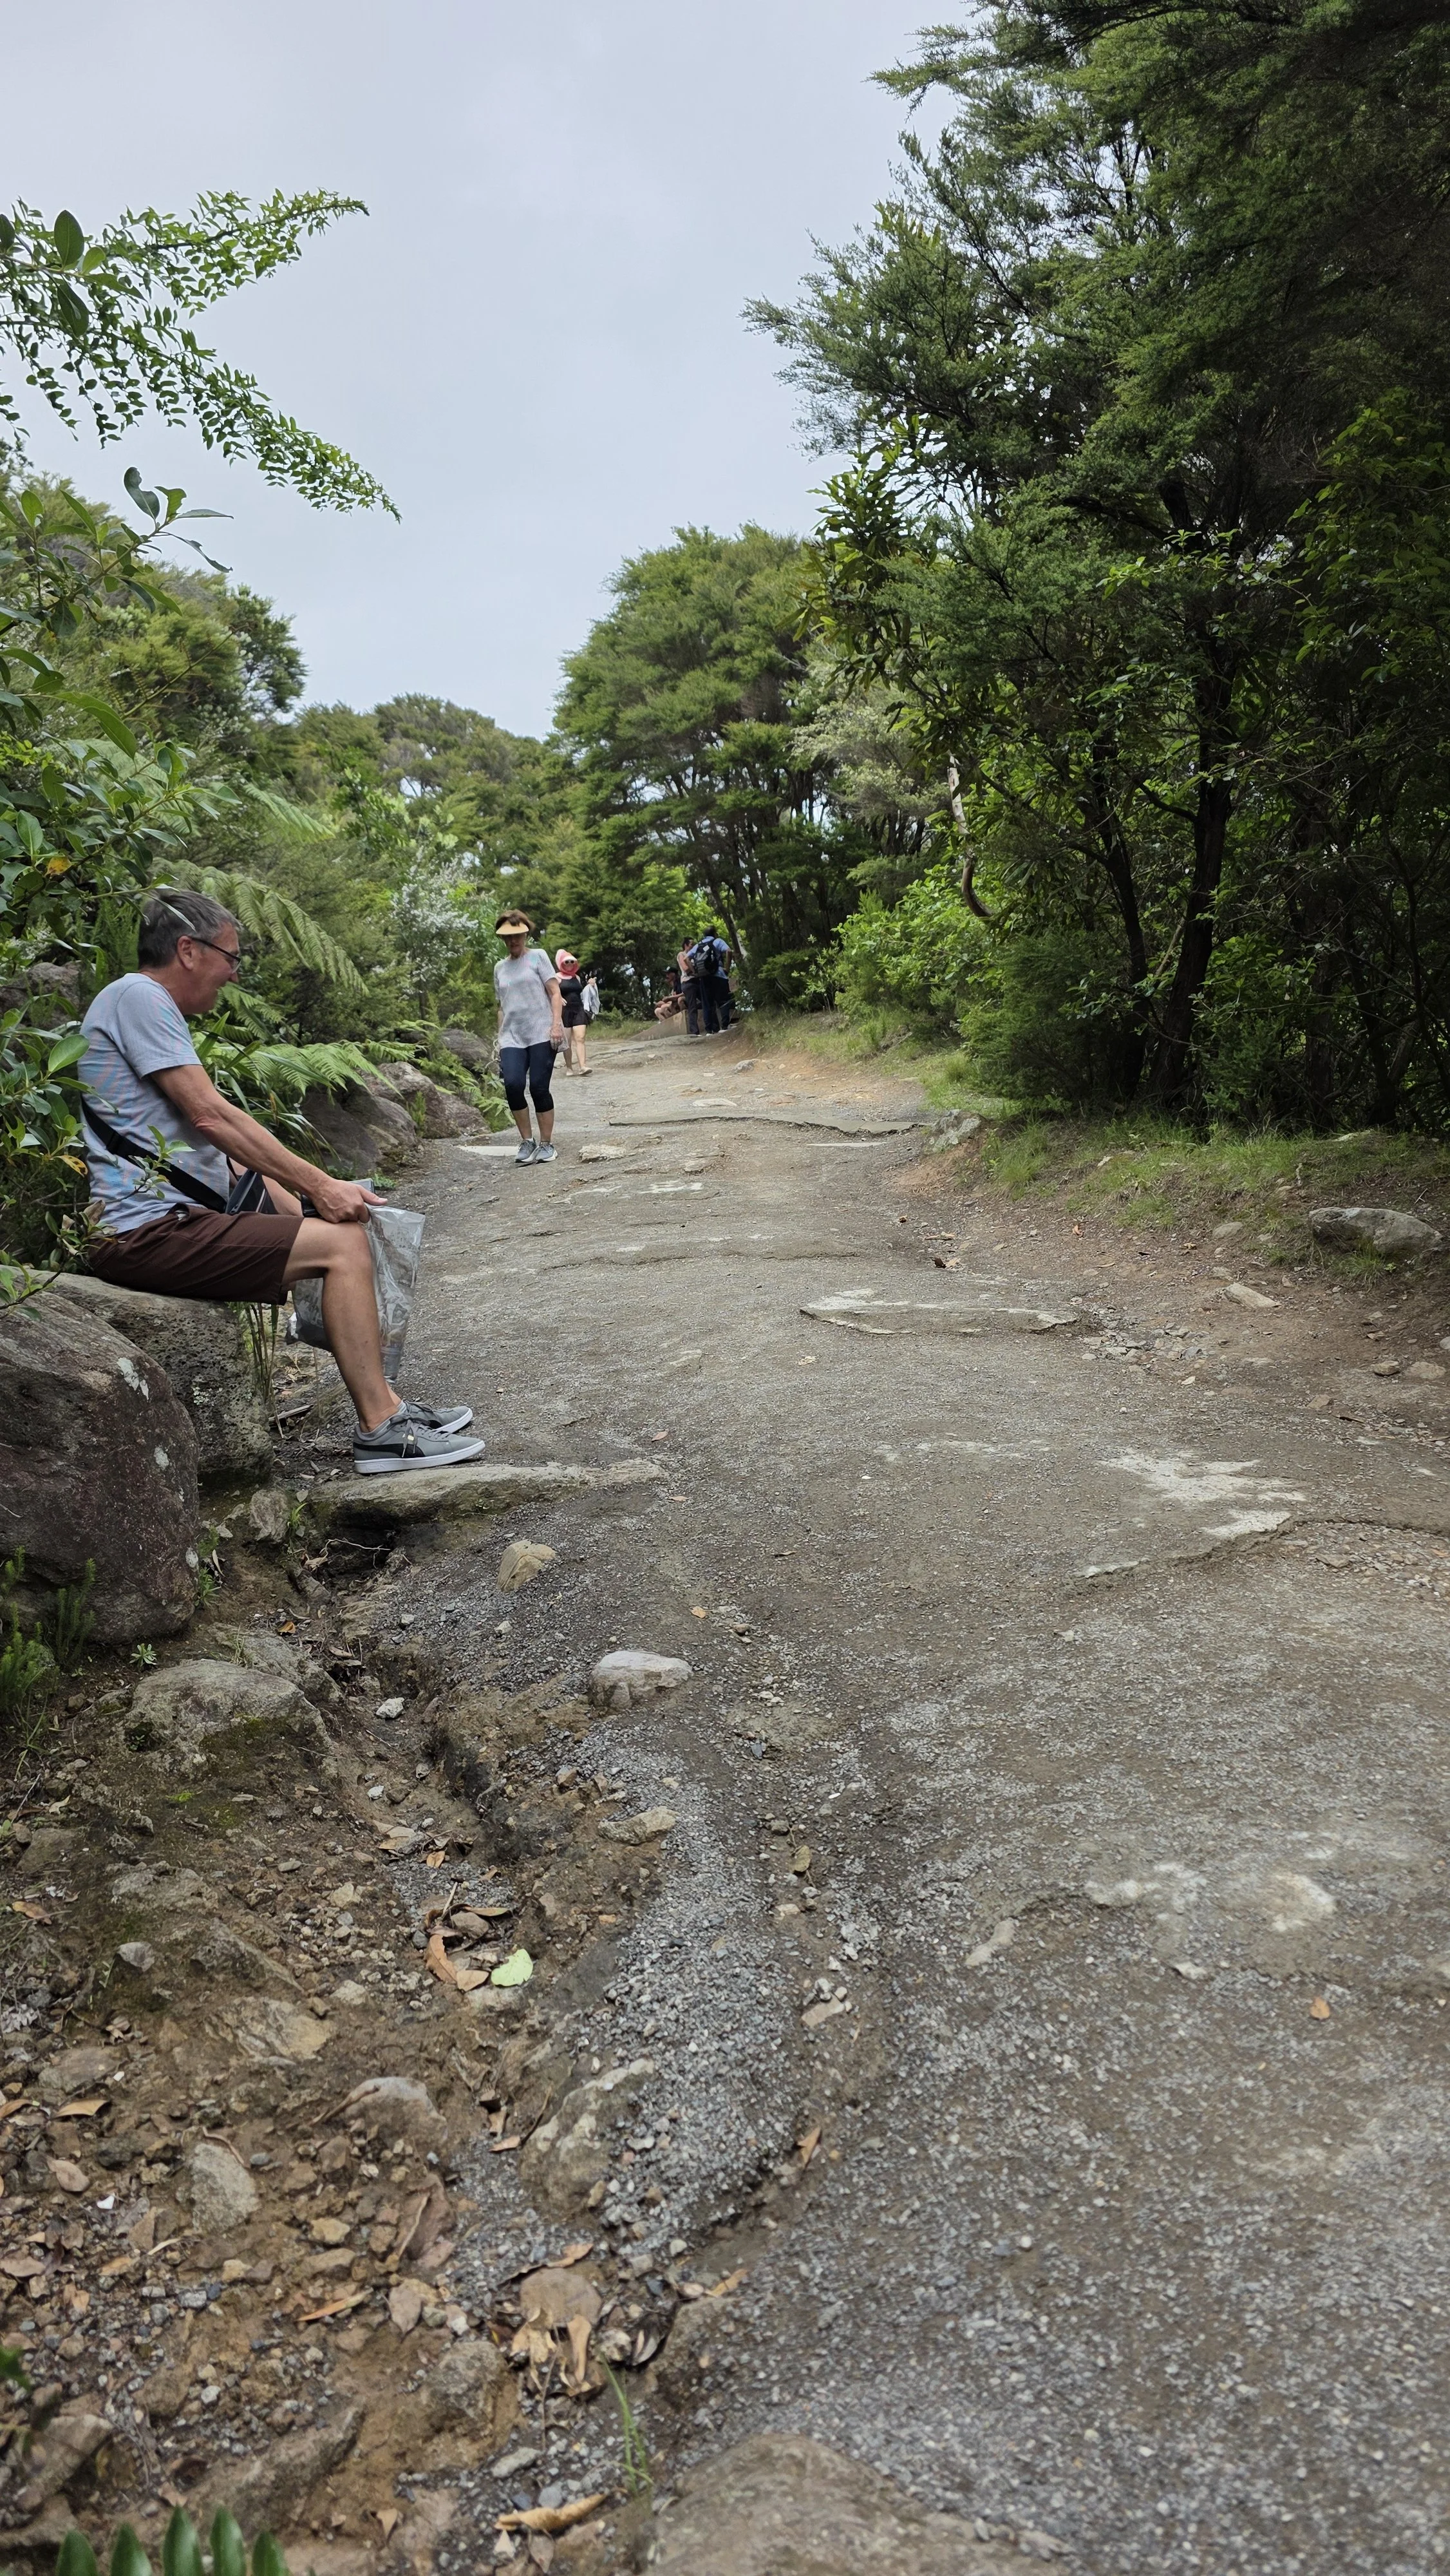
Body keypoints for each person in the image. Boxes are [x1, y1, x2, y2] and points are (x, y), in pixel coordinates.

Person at [78, 887, 483, 1477]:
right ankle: (381, 1433)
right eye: (232, 957)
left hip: (169, 1220)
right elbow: (211, 1116)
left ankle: (390, 1408)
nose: (234, 973)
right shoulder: (139, 996)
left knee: (338, 1231)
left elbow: (213, 1149)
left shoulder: (141, 1006)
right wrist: (321, 1186)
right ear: (188, 950)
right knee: (342, 1249)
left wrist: (304, 1207)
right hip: (144, 1231)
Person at [494, 910, 564, 1162]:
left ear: (525, 934)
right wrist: (500, 1040)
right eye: (508, 937)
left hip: (541, 1032)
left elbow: (555, 993)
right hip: (512, 1036)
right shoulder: (500, 968)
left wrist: (556, 1026)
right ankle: (527, 1141)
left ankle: (547, 1144)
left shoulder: (538, 957)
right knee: (512, 1085)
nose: (513, 941)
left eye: (517, 936)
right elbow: (502, 1005)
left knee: (538, 1087)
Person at [554, 948, 592, 1075]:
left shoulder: (577, 977)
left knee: (580, 1038)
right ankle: (569, 1067)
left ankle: (583, 1066)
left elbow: (581, 993)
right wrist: (559, 998)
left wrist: (591, 985)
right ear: (561, 963)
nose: (569, 964)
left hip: (578, 1009)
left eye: (572, 961)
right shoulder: (557, 978)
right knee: (568, 1042)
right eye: (566, 962)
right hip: (565, 1011)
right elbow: (551, 992)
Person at [691, 927, 733, 1033]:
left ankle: (709, 1030)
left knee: (707, 1004)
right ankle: (724, 1027)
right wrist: (727, 968)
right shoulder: (717, 941)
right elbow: (729, 951)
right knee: (723, 1001)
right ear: (715, 934)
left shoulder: (699, 945)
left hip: (704, 977)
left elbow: (686, 959)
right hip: (719, 975)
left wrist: (695, 973)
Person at [678, 940, 704, 1037]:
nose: (693, 946)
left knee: (707, 1002)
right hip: (688, 982)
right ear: (686, 945)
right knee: (692, 1006)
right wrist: (694, 967)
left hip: (698, 981)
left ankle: (713, 1027)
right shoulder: (682, 954)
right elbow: (686, 968)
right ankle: (694, 1031)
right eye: (691, 945)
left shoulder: (695, 954)